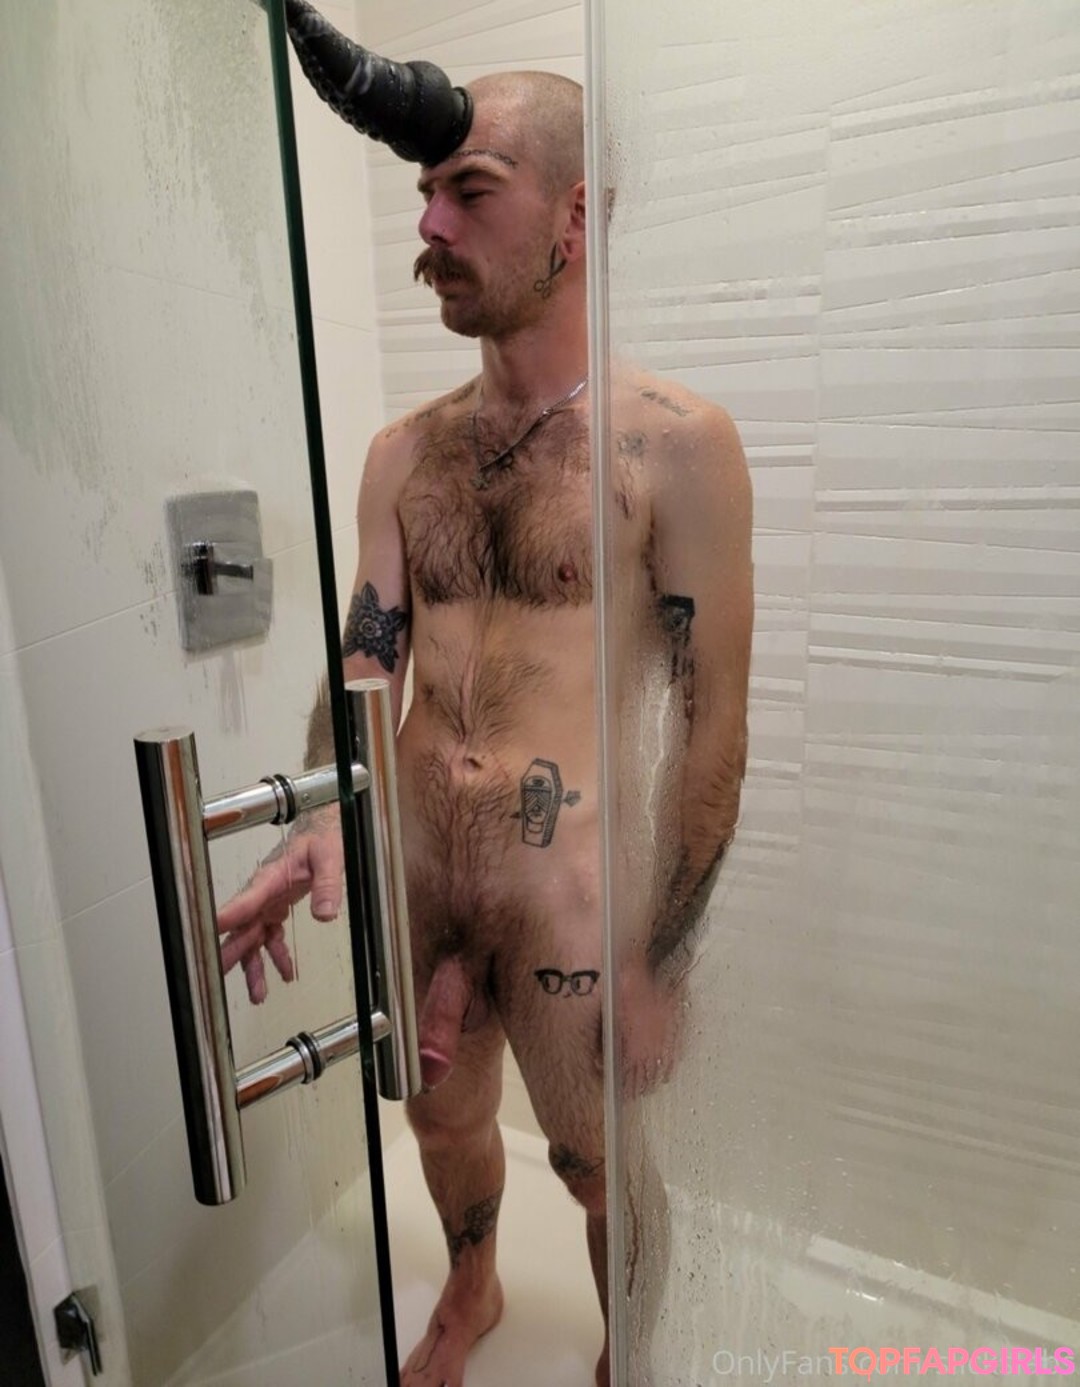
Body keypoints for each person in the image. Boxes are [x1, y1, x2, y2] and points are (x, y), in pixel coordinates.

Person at [216, 67, 752, 1387]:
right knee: (441, 1121)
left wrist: (663, 956)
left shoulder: (674, 448)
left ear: (576, 215)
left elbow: (713, 726)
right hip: (417, 878)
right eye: (424, 193)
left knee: (595, 1164)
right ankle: (473, 1287)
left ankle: (631, 1348)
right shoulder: (404, 453)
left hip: (569, 903)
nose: (430, 225)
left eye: (469, 189)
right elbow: (366, 659)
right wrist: (319, 821)